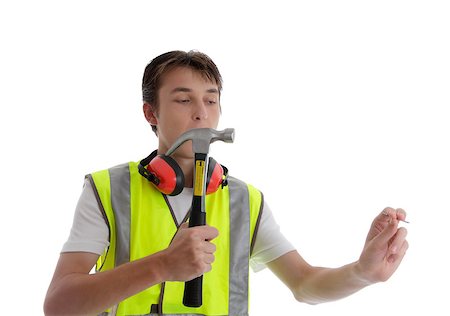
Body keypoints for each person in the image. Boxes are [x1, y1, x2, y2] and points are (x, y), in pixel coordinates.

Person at [44, 50, 409, 316]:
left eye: (211, 99)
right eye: (183, 99)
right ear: (150, 113)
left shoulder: (244, 200)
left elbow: (306, 285)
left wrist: (362, 273)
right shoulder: (108, 190)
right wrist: (161, 266)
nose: (201, 112)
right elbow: (59, 305)